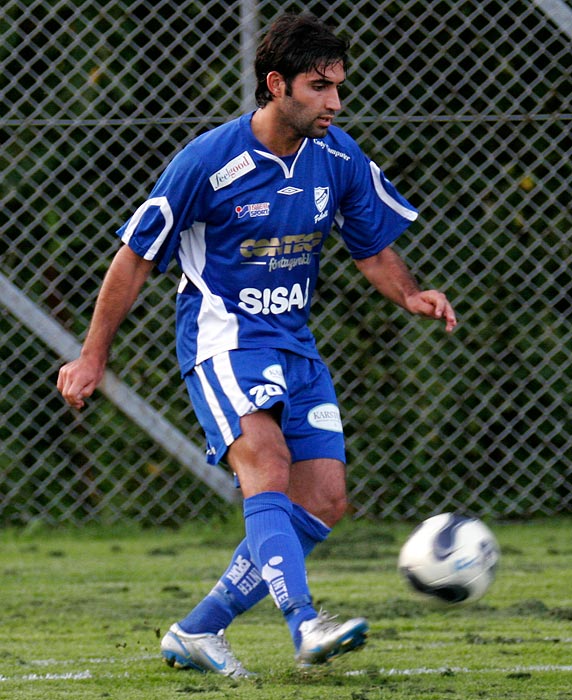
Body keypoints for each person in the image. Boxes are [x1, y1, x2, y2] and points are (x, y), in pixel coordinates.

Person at [57, 12, 456, 678]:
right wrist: (92, 355)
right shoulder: (207, 162)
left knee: (324, 499)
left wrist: (409, 294)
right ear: (276, 85)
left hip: (294, 344)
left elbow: (371, 246)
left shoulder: (338, 156)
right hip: (222, 341)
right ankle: (306, 625)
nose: (335, 101)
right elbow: (133, 260)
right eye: (318, 87)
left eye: (338, 86)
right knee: (265, 463)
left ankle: (196, 631)